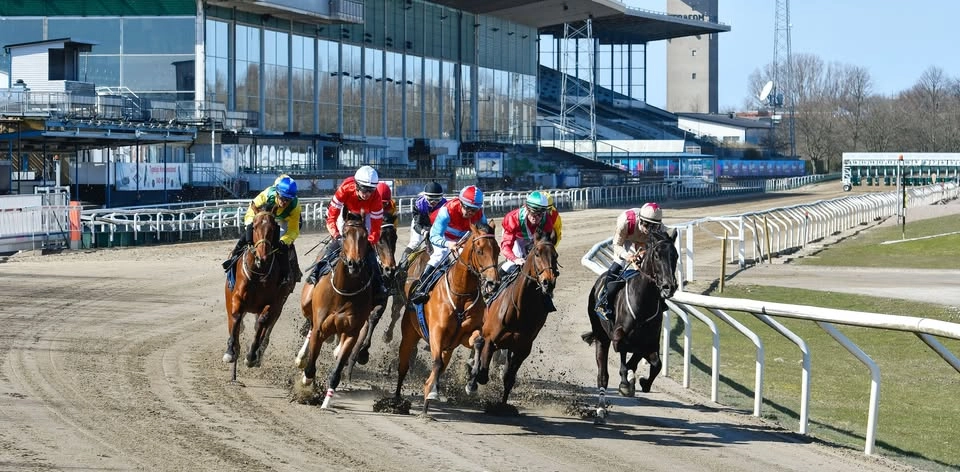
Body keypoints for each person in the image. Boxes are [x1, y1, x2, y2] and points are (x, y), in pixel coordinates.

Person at [310, 165, 388, 305]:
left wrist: (368, 242)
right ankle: (315, 273)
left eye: (370, 190)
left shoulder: (376, 198)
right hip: (345, 212)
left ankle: (379, 285)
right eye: (364, 189)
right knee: (335, 244)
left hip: (366, 214)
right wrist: (337, 235)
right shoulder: (345, 189)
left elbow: (376, 229)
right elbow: (331, 218)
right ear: (357, 185)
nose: (367, 194)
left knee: (370, 252)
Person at [407, 185, 486, 304]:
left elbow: (484, 234)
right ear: (460, 203)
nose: (470, 212)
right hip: (442, 235)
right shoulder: (447, 210)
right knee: (441, 254)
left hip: (462, 238)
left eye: (474, 210)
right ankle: (421, 288)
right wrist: (448, 244)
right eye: (468, 208)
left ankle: (483, 286)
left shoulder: (480, 214)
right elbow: (434, 236)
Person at [221, 175, 303, 287]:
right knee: (246, 237)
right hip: (265, 217)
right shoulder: (267, 194)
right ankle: (233, 259)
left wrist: (284, 241)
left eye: (288, 200)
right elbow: (252, 208)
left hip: (284, 220)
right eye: (282, 198)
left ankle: (288, 274)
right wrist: (250, 225)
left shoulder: (295, 207)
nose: (284, 202)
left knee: (283, 247)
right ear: (277, 194)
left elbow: (293, 230)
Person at [595, 202, 664, 319]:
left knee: (652, 269)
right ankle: (605, 300)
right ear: (640, 220)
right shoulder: (625, 221)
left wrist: (645, 254)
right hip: (626, 237)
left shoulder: (660, 228)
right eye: (647, 225)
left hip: (644, 243)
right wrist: (628, 256)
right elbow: (617, 245)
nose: (650, 230)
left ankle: (660, 301)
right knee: (617, 266)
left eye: (654, 226)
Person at [499, 191, 560, 312]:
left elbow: (546, 244)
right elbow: (505, 246)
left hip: (535, 240)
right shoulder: (512, 218)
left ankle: (547, 295)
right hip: (516, 239)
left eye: (539, 214)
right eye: (533, 212)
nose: (536, 217)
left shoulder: (546, 220)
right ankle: (494, 288)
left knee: (546, 267)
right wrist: (515, 259)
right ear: (526, 208)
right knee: (511, 265)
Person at [402, 181, 447, 263]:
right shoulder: (420, 205)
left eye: (437, 199)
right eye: (431, 199)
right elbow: (417, 225)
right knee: (415, 243)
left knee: (442, 246)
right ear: (425, 197)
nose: (434, 202)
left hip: (435, 224)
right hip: (420, 223)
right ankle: (402, 264)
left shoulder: (445, 205)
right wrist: (424, 232)